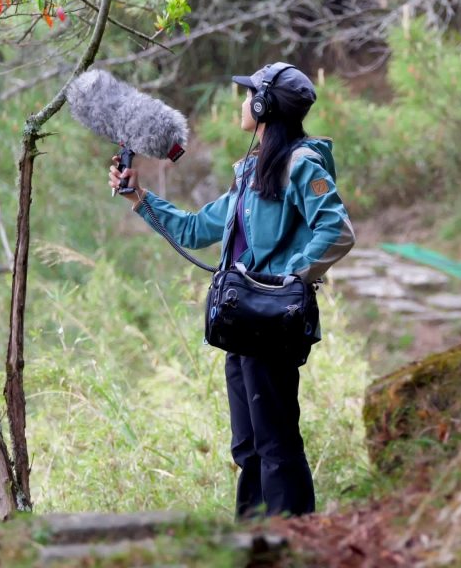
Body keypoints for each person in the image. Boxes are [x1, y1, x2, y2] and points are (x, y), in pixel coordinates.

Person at [107, 62, 356, 518]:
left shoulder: (302, 164)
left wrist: (289, 278)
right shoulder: (251, 173)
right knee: (249, 447)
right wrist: (139, 199)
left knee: (276, 442)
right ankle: (253, 540)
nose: (242, 102)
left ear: (263, 106)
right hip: (242, 323)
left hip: (273, 321)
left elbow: (337, 230)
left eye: (248, 96)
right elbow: (199, 227)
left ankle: (293, 541)